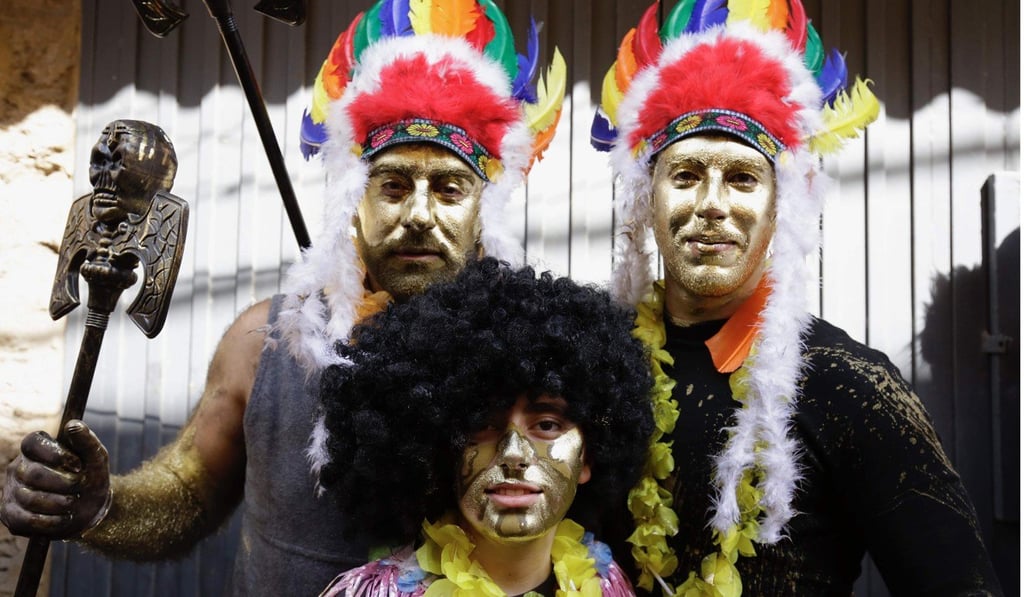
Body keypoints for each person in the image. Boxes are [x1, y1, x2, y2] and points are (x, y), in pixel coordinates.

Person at [0, 2, 565, 595]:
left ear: (485, 208)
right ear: (355, 197)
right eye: (393, 185)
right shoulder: (264, 340)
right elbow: (190, 492)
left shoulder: (534, 362)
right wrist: (101, 507)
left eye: (449, 188)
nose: (418, 216)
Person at [590, 1, 1003, 595]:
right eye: (684, 176)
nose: (712, 204)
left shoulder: (849, 385)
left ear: (782, 206)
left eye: (742, 178)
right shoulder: (595, 364)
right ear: (645, 202)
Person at [314, 258, 653, 596]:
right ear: (442, 446)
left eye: (546, 425)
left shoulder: (607, 585)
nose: (513, 455)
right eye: (483, 424)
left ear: (589, 458)